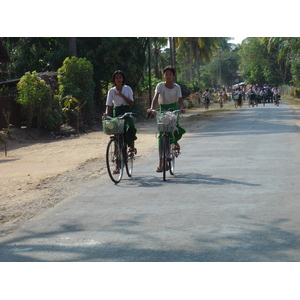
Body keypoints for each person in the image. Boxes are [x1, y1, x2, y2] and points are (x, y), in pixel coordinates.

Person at [147, 66, 185, 172]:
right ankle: (160, 164)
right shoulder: (160, 86)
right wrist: (151, 108)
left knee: (174, 128)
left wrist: (181, 108)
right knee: (161, 134)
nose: (168, 76)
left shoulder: (177, 87)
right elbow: (155, 98)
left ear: (173, 76)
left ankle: (175, 142)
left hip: (173, 109)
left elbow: (180, 100)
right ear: (164, 75)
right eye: (166, 74)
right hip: (162, 110)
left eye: (170, 74)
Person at [104, 70, 137, 154]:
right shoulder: (111, 91)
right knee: (117, 132)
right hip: (117, 111)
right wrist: (106, 115)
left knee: (130, 127)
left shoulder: (127, 89)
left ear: (123, 79)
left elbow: (132, 103)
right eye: (116, 78)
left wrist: (121, 95)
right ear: (114, 80)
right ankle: (117, 153)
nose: (118, 79)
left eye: (120, 77)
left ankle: (131, 146)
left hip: (127, 111)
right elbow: (109, 105)